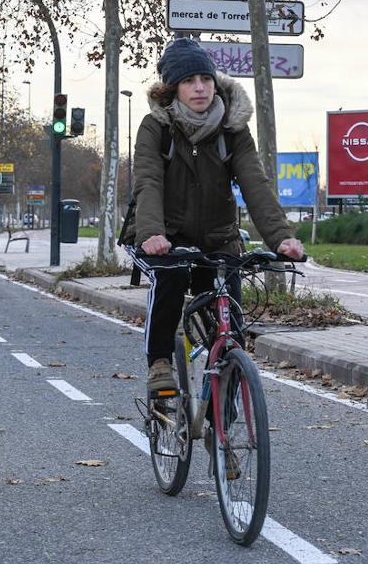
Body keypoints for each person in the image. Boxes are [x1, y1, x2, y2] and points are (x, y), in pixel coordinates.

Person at [120, 37, 304, 403]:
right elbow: (148, 181)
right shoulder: (156, 128)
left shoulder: (232, 129)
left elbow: (255, 182)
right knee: (170, 277)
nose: (200, 87)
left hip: (218, 238)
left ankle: (227, 434)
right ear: (172, 88)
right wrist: (153, 232)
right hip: (164, 237)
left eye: (205, 78)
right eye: (189, 81)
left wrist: (280, 237)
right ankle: (160, 362)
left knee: (228, 324)